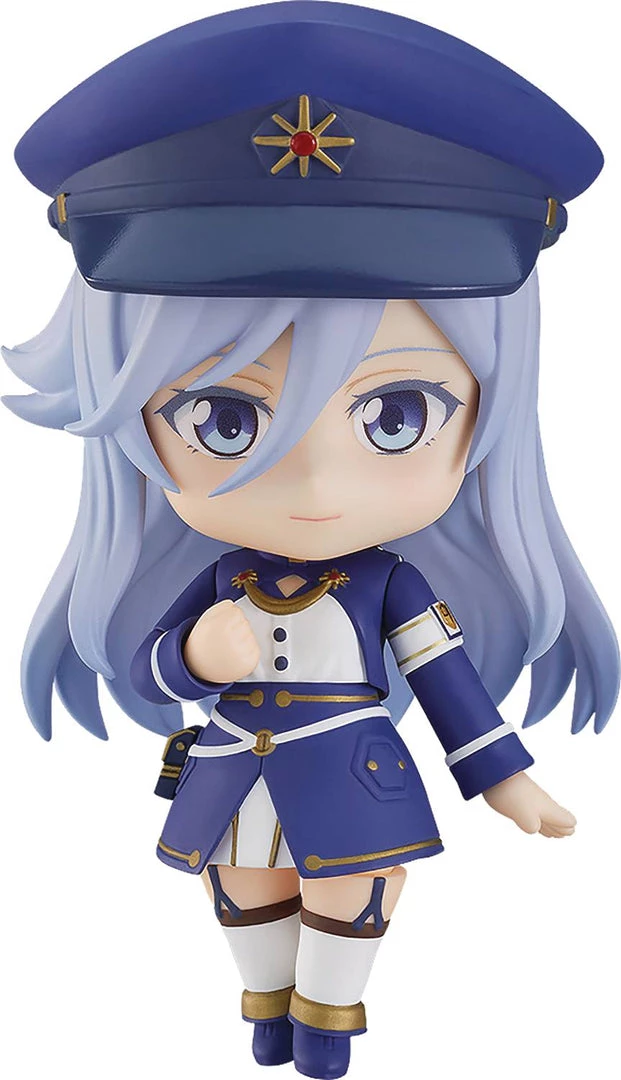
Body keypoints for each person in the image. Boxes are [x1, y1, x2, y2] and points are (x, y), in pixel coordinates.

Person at [4, 5, 618, 1078]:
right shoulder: (221, 577)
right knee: (241, 886)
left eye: (396, 416)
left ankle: (328, 1016)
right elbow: (158, 660)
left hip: (351, 771)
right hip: (231, 772)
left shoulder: (393, 585)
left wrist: (504, 779)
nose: (318, 486)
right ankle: (266, 1003)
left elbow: (449, 687)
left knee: (352, 887)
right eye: (224, 420)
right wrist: (196, 657)